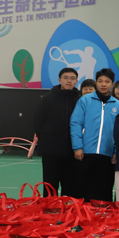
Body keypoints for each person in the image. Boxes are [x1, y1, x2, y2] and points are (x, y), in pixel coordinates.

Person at [70, 69, 119, 202]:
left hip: (107, 155)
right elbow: (76, 123)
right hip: (85, 153)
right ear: (96, 83)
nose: (103, 84)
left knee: (104, 191)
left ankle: (102, 215)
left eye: (107, 81)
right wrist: (77, 147)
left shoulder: (118, 105)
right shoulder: (85, 100)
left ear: (112, 84)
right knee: (82, 189)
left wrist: (116, 151)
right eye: (100, 81)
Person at [33, 67, 81, 198]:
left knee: (70, 186)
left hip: (72, 151)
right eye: (66, 78)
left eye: (72, 78)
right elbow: (38, 122)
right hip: (51, 151)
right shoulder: (48, 98)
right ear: (59, 80)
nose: (69, 81)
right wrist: (46, 140)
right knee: (50, 185)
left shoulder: (80, 99)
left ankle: (69, 209)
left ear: (76, 81)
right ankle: (49, 209)